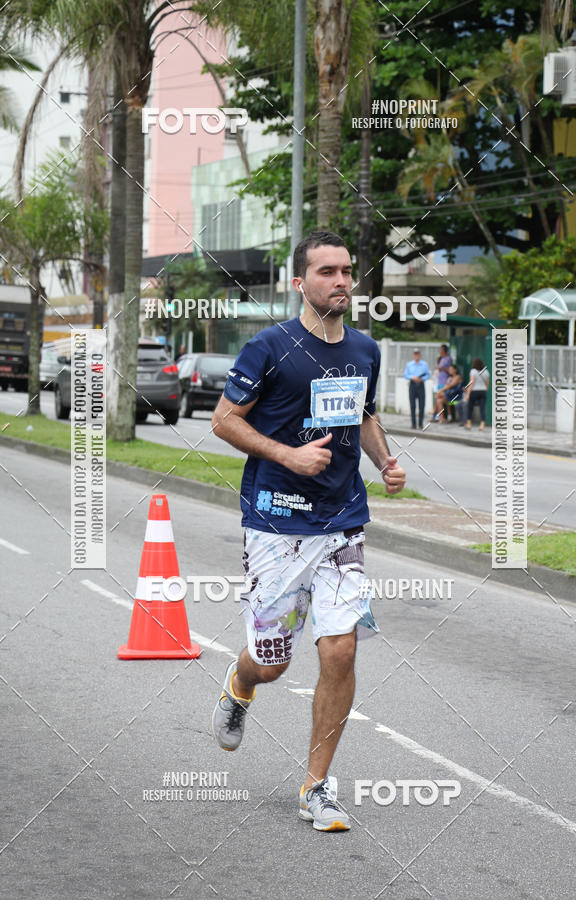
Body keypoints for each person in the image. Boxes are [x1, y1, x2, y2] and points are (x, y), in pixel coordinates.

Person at [210, 231, 406, 832]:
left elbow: (364, 415)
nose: (341, 281)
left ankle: (316, 788)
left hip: (342, 522)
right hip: (276, 521)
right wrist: (287, 455)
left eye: (346, 270)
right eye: (327, 272)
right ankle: (241, 683)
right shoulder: (269, 347)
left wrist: (385, 461)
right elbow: (224, 421)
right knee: (271, 663)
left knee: (340, 650)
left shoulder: (365, 349)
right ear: (300, 283)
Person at [403, 349, 431, 429]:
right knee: (412, 405)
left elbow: (428, 375)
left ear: (420, 355)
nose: (416, 356)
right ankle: (413, 424)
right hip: (412, 384)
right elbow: (405, 375)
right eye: (415, 354)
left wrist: (422, 379)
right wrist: (412, 377)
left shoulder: (424, 364)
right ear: (413, 355)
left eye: (418, 354)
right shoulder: (409, 364)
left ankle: (420, 424)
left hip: (420, 385)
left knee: (421, 405)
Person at [465, 357, 489, 430]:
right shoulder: (486, 372)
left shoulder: (473, 371)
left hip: (474, 391)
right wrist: (485, 390)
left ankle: (469, 424)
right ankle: (482, 425)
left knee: (470, 407)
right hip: (483, 391)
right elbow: (487, 383)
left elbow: (471, 382)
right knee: (482, 408)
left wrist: (468, 394)